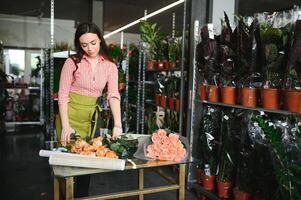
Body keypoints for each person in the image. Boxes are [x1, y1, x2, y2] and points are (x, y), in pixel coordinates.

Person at [57, 22, 122, 197]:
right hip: (69, 116)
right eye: (84, 45)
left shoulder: (110, 65)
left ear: (100, 40)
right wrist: (65, 126)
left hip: (91, 118)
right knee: (67, 165)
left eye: (93, 43)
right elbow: (62, 96)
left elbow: (113, 95)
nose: (90, 48)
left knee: (87, 162)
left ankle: (81, 196)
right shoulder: (72, 63)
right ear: (79, 45)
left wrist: (118, 124)